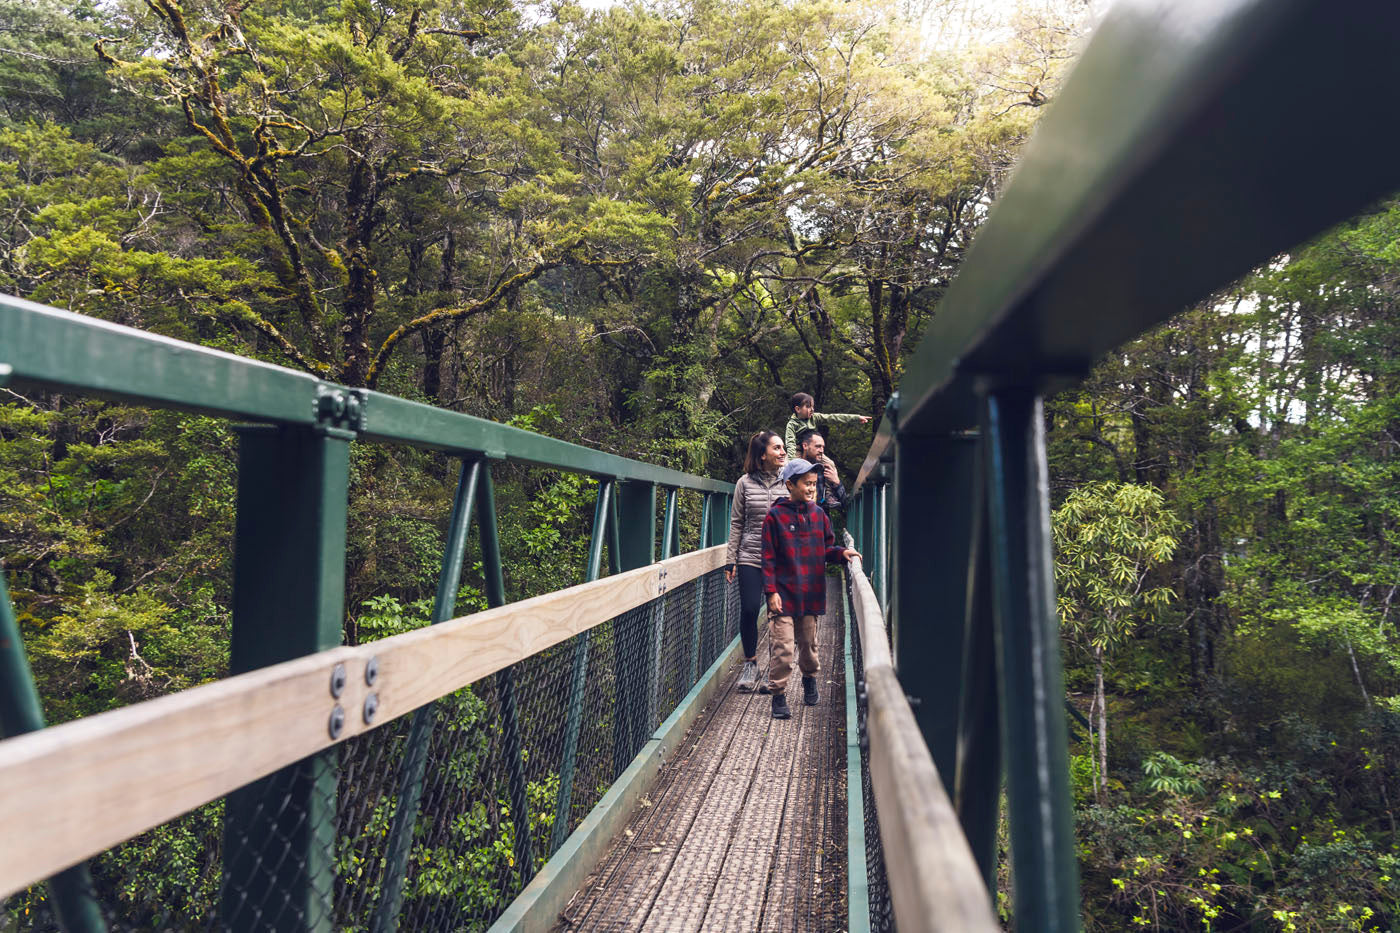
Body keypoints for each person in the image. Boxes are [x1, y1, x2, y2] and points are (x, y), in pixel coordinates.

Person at [761, 458, 860, 719]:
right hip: (783, 593)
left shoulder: (818, 515)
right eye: (807, 484)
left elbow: (826, 548)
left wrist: (842, 553)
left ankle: (809, 678)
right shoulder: (775, 517)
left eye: (815, 484)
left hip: (810, 592)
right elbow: (768, 557)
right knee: (782, 648)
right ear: (790, 485)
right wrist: (771, 592)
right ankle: (779, 695)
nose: (812, 489)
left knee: (809, 646)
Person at [725, 430, 788, 692]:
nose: (783, 452)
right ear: (763, 455)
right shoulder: (744, 483)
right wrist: (731, 559)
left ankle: (775, 670)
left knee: (779, 613)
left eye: (783, 447)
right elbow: (737, 522)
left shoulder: (790, 481)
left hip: (782, 559)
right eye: (777, 448)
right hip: (751, 555)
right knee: (750, 609)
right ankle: (750, 663)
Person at [783, 391, 869, 460]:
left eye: (812, 406)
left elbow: (833, 417)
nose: (812, 409)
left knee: (830, 464)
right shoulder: (792, 425)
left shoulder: (815, 417)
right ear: (798, 409)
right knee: (788, 464)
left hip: (813, 447)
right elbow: (790, 443)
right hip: (798, 449)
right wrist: (791, 459)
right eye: (808, 406)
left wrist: (856, 418)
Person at [795, 427, 845, 515]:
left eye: (823, 447)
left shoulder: (824, 469)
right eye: (818, 446)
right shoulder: (792, 468)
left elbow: (845, 504)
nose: (821, 450)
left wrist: (837, 482)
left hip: (819, 522)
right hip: (796, 519)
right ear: (805, 446)